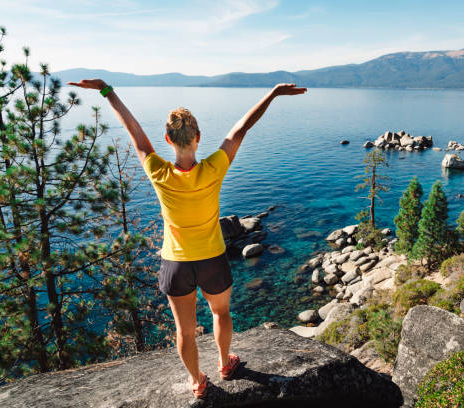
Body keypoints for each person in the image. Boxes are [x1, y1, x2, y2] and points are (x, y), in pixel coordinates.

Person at [67, 79, 307, 398]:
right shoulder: (214, 168)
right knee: (220, 313)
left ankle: (197, 381)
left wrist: (107, 91)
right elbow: (241, 128)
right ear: (198, 138)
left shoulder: (158, 171)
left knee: (185, 330)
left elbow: (134, 131)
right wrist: (273, 94)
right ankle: (225, 363)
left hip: (176, 263)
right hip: (212, 260)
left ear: (167, 139)